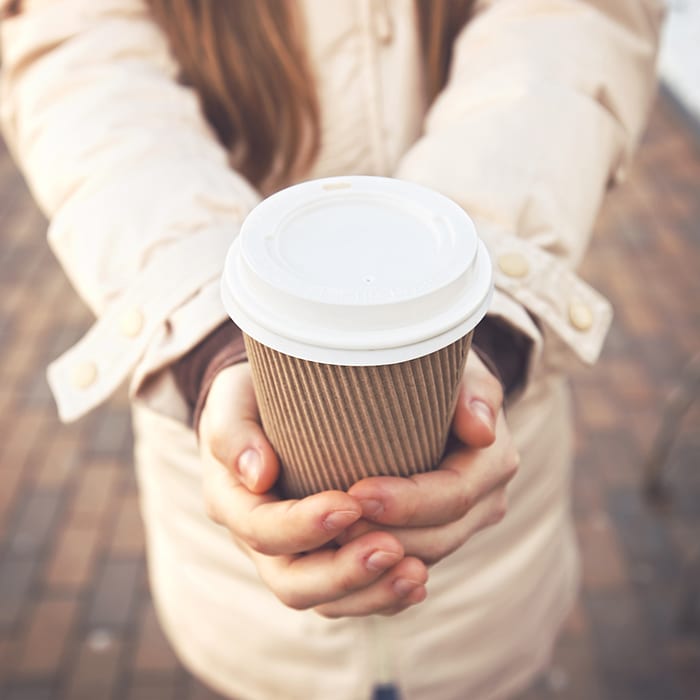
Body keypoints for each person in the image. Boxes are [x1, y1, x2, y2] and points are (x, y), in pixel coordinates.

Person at [0, 1, 663, 698]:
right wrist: (211, 331)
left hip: (490, 574)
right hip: (237, 590)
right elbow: (75, 50)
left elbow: (576, 23)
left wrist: (481, 298)